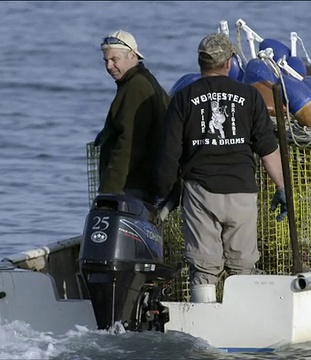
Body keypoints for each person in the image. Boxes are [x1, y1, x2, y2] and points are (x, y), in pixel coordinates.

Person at [155, 33, 288, 303]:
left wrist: (166, 191)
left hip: (200, 192)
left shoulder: (183, 98)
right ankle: (243, 318)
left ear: (200, 63)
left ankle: (204, 322)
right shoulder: (250, 96)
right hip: (242, 192)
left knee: (203, 265)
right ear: (229, 62)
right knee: (242, 263)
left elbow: (169, 153)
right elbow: (268, 149)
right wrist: (283, 187)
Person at [96, 30, 170, 203]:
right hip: (142, 185)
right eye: (106, 61)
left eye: (114, 60)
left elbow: (128, 143)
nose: (108, 66)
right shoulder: (144, 81)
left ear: (132, 55)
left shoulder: (136, 87)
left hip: (131, 187)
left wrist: (109, 190)